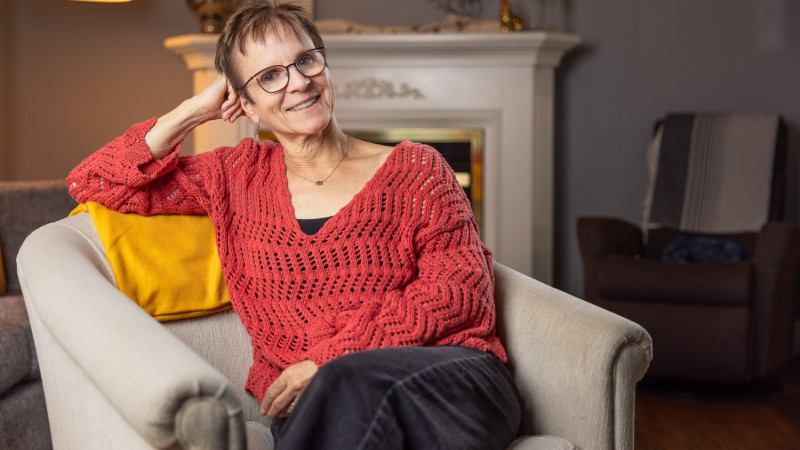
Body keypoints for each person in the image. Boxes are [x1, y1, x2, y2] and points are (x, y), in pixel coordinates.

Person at [67, 1, 522, 448]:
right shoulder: (234, 177)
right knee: (341, 399)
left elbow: (458, 292)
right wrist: (193, 111)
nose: (299, 82)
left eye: (306, 60)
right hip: (316, 405)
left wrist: (328, 360)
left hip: (449, 383)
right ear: (244, 104)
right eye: (269, 76)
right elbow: (93, 180)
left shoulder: (418, 168)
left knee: (347, 385)